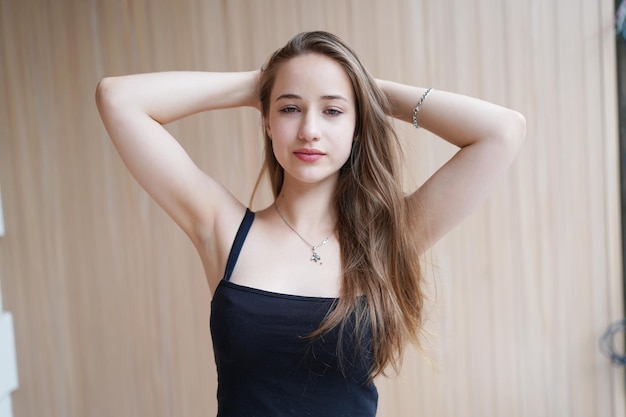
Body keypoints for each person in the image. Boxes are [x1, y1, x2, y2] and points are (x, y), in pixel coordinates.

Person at [96, 31, 525, 416]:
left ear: (358, 127)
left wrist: (367, 92)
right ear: (266, 121)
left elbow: (503, 131)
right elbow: (118, 99)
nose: (309, 130)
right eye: (289, 108)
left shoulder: (388, 239)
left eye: (333, 111)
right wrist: (259, 85)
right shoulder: (225, 230)